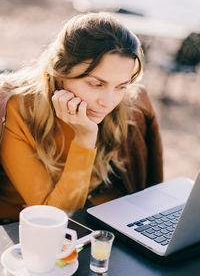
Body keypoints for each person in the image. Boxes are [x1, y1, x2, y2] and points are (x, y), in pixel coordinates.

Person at [0, 12, 163, 223]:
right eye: (97, 84)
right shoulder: (16, 109)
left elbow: (147, 189)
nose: (108, 102)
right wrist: (85, 137)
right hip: (19, 230)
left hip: (91, 219)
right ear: (60, 71)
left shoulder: (131, 106)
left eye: (121, 86)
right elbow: (54, 217)